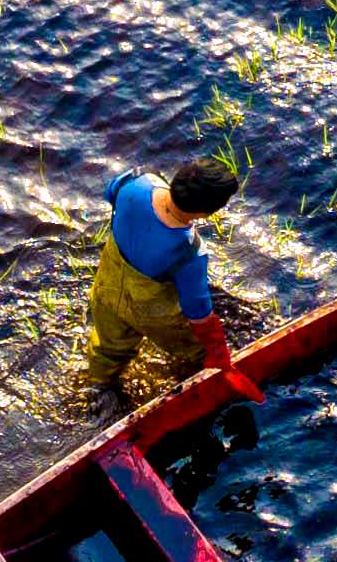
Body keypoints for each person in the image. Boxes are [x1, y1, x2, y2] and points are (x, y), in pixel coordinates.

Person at [86, 155, 247, 407]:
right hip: (150, 311)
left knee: (108, 347)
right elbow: (198, 312)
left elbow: (111, 194)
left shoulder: (137, 180)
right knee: (196, 352)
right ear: (205, 213)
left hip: (107, 284)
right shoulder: (189, 251)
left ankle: (99, 388)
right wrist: (219, 352)